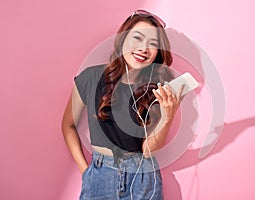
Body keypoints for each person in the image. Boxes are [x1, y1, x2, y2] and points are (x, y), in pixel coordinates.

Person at [62, 9, 184, 200]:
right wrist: (85, 171)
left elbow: (147, 150)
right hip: (100, 176)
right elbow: (68, 125)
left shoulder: (157, 89)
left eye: (152, 44)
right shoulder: (91, 77)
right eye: (137, 38)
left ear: (158, 54)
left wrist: (168, 117)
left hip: (144, 179)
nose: (143, 49)